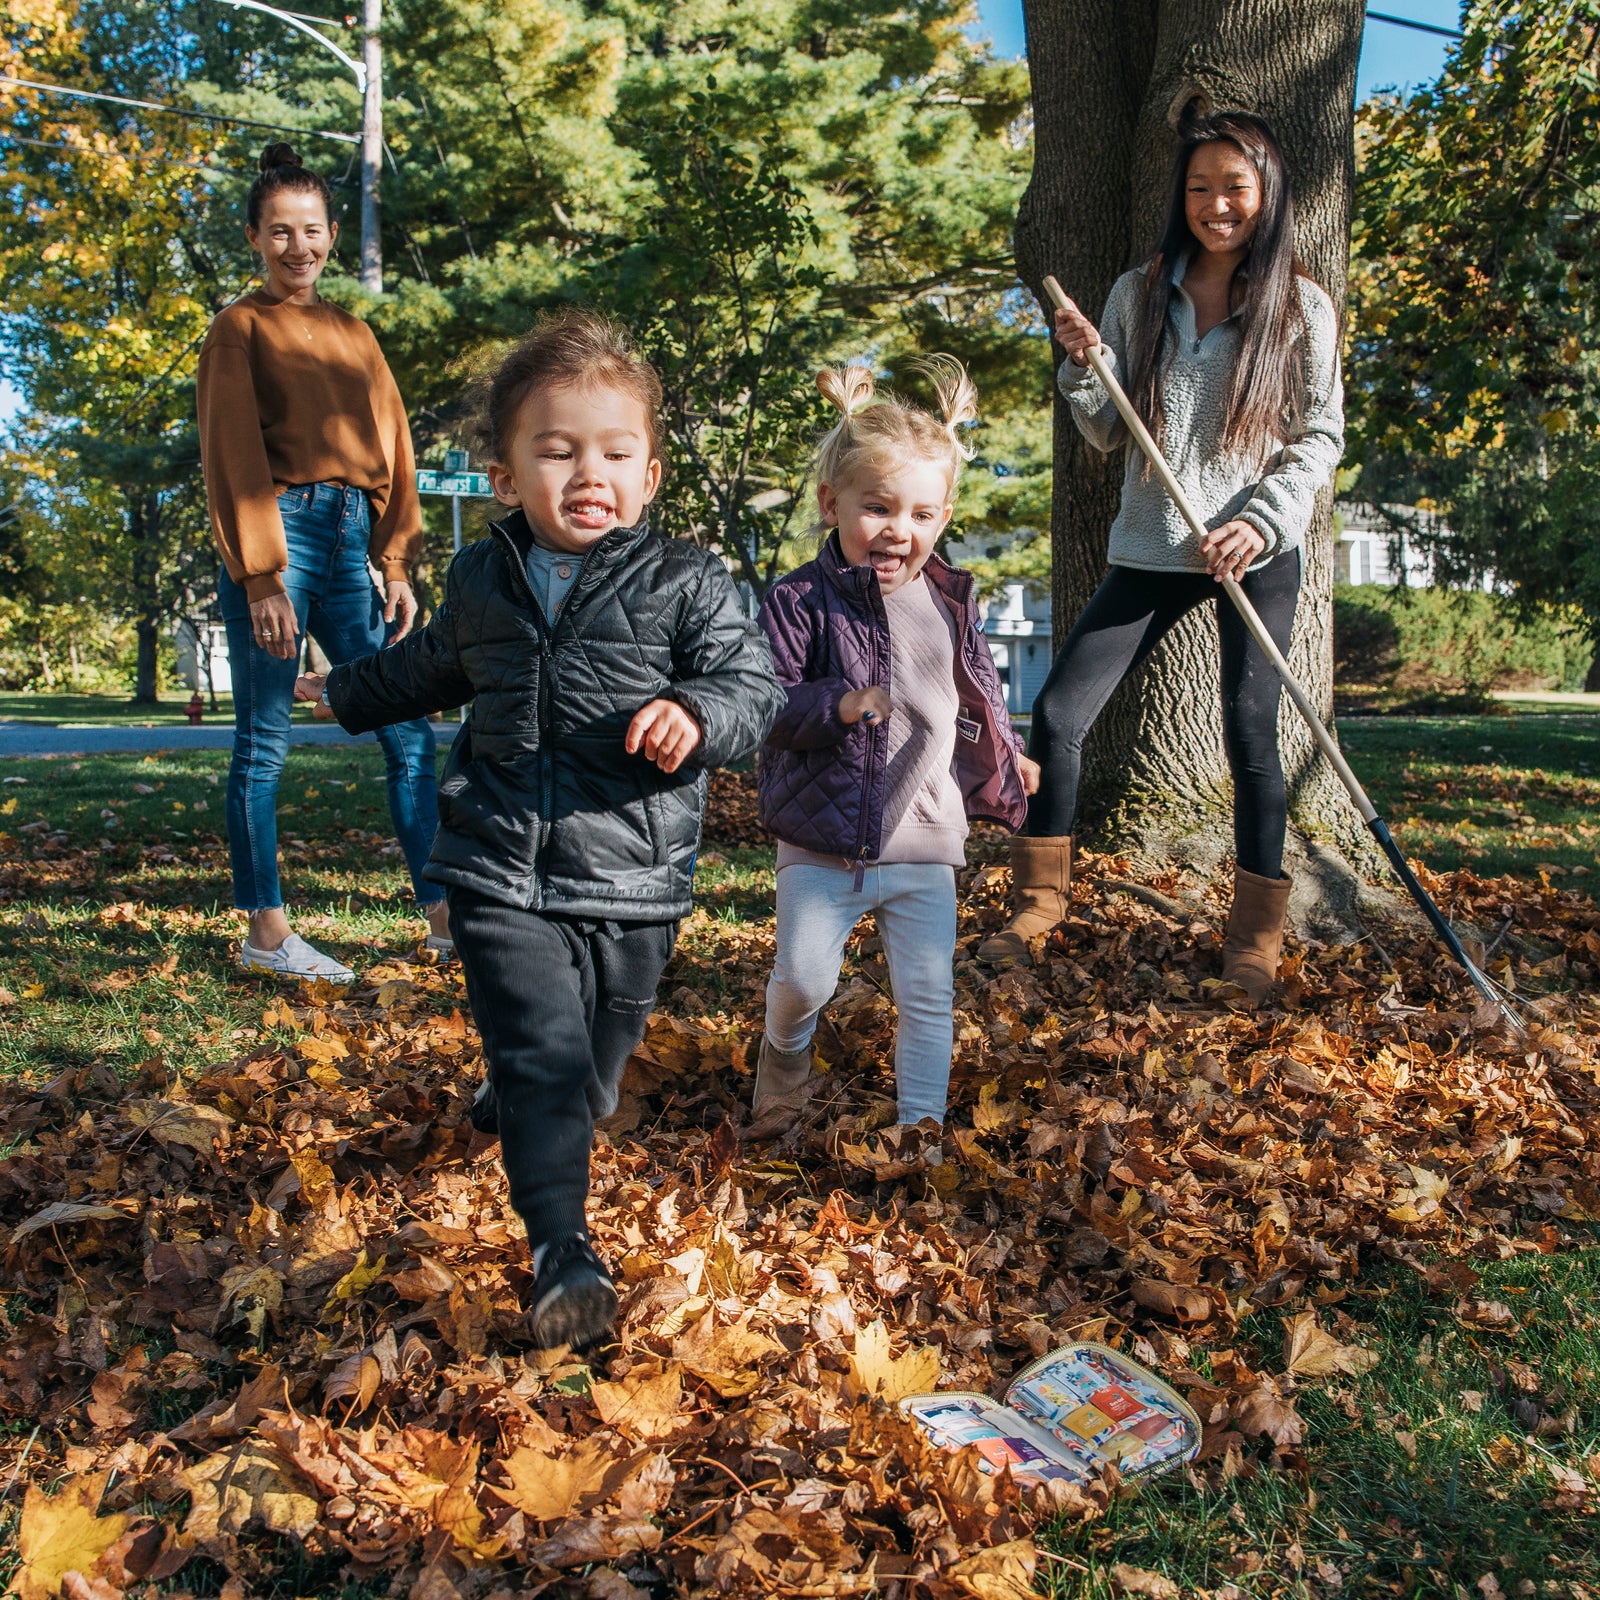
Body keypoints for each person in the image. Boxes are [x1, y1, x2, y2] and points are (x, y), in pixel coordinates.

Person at [294, 311, 784, 1350]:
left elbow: (752, 687)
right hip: (495, 859)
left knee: (598, 1067)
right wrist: (343, 692)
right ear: (506, 477)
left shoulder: (686, 581)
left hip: (631, 873)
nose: (586, 472)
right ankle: (561, 1249)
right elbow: (430, 667)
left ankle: (524, 1100)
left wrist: (698, 716)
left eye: (612, 453)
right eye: (556, 452)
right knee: (543, 1052)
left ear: (648, 476)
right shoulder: (481, 579)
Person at [978, 111, 1344, 1005]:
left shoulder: (1301, 307)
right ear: (1180, 199)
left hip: (1253, 554)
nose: (1217, 205)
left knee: (1253, 737)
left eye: (1235, 187)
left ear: (1267, 196)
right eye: (1200, 188)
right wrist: (1082, 366)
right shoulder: (1137, 295)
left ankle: (1254, 942)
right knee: (1060, 716)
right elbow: (1107, 432)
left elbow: (1319, 438)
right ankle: (1038, 904)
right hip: (1151, 548)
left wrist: (1259, 522)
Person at [752, 359, 1038, 1142]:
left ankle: (919, 1132)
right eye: (876, 508)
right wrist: (836, 705)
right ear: (831, 503)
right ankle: (785, 1049)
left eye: (919, 514)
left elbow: (973, 690)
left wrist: (1010, 753)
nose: (896, 531)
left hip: (926, 832)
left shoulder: (949, 601)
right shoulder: (800, 600)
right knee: (805, 980)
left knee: (926, 992)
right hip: (822, 837)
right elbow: (764, 700)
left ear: (942, 518)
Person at [197, 143, 447, 985]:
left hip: (352, 543)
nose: (297, 246)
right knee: (263, 741)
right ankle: (266, 930)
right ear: (254, 239)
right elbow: (231, 450)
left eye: (311, 230)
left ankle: (445, 913)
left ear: (332, 236)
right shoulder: (240, 328)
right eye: (279, 232)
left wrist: (398, 559)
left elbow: (395, 448)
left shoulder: (355, 335)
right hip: (283, 533)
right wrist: (261, 573)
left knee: (407, 728)